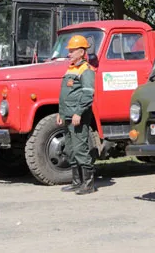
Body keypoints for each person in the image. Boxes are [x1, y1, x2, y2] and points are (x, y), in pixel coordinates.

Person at [57, 35, 97, 195]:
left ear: (81, 52)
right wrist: (61, 113)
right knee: (70, 150)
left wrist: (78, 113)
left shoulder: (86, 70)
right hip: (67, 116)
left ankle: (88, 184)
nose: (69, 54)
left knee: (80, 149)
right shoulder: (71, 68)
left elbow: (88, 94)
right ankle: (76, 182)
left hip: (77, 116)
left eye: (72, 51)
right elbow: (65, 94)